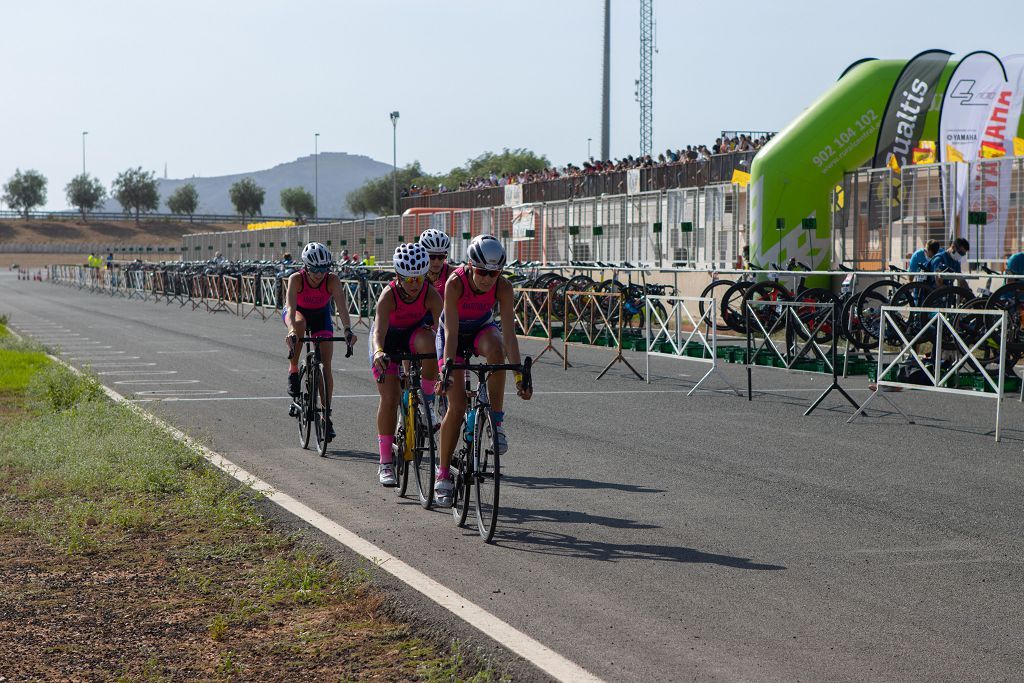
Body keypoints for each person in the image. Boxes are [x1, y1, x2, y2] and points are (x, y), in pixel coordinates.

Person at [434, 235, 532, 508]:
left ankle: (496, 423)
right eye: (482, 272)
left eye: (494, 273)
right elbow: (451, 333)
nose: (488, 278)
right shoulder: (455, 283)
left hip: (480, 330)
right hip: (452, 337)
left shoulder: (503, 286)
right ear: (469, 266)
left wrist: (518, 376)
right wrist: (446, 370)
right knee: (456, 406)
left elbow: (510, 334)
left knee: (498, 353)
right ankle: (442, 474)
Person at [370, 243, 442, 486]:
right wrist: (379, 351)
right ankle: (385, 462)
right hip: (387, 343)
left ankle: (427, 402)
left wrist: (447, 362)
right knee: (390, 398)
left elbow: (444, 329)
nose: (414, 285)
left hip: (413, 338)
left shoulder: (430, 293)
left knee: (431, 342)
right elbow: (378, 332)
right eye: (408, 280)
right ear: (398, 276)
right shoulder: (388, 295)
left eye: (419, 279)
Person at [283, 242, 357, 440]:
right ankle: (293, 369)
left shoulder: (332, 280)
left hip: (321, 315)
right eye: (315, 269)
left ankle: (326, 415)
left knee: (326, 365)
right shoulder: (296, 279)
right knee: (298, 324)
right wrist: (291, 331)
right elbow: (290, 308)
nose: (319, 273)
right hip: (297, 313)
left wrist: (348, 330)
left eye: (324, 268)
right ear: (306, 267)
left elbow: (342, 307)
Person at [418, 228, 453, 297]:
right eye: (432, 257)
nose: (436, 261)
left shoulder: (452, 273)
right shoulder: (415, 273)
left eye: (441, 257)